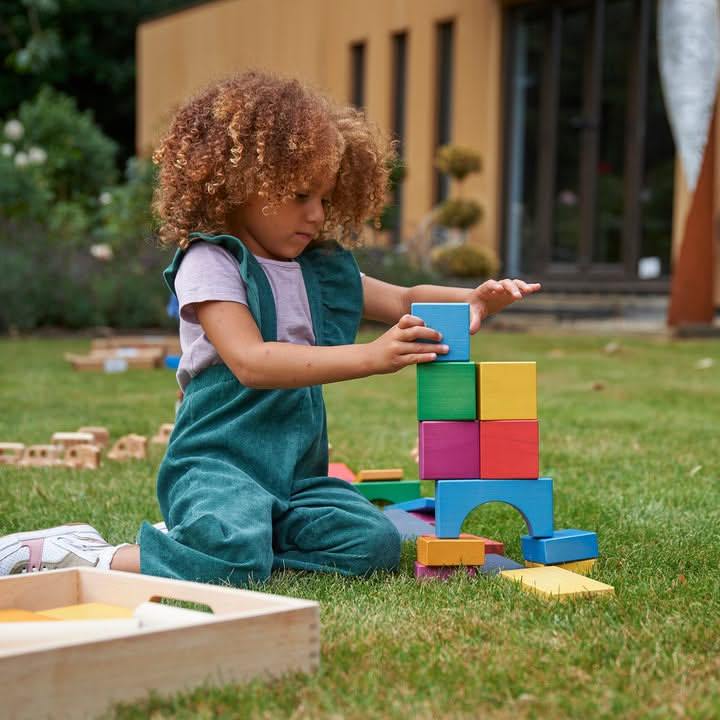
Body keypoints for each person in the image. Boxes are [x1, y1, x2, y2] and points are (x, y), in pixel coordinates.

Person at [0, 70, 540, 586]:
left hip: (298, 478)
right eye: (299, 195)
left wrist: (472, 300)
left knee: (372, 546)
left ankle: (222, 543)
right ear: (239, 185)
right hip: (218, 467)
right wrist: (371, 357)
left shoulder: (319, 267)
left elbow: (402, 298)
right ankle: (89, 553)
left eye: (325, 198)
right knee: (229, 561)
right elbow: (251, 361)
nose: (315, 215)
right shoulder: (211, 261)